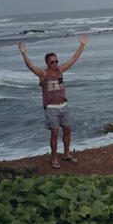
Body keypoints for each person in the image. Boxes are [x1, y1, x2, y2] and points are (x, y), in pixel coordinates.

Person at [18, 34, 88, 168]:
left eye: (56, 61)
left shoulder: (61, 70)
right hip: (51, 107)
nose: (55, 64)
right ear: (46, 63)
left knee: (67, 130)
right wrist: (24, 54)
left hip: (64, 106)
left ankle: (67, 154)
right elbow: (30, 66)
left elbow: (74, 59)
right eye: (52, 62)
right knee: (54, 133)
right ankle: (54, 158)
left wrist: (82, 45)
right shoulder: (43, 74)